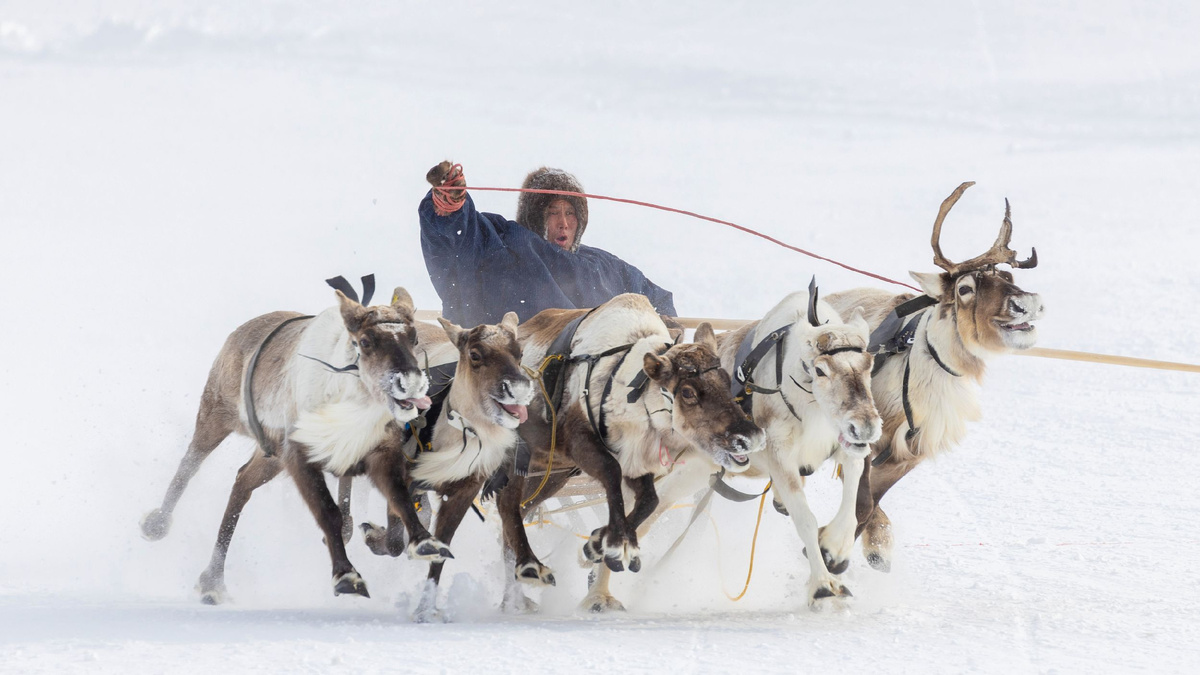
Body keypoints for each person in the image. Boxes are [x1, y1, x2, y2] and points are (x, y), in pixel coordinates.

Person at [418, 161, 676, 328]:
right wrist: (449, 205)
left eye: (571, 213)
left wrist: (664, 325)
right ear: (535, 215)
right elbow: (462, 232)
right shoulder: (505, 243)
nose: (563, 222)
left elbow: (656, 300)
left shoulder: (603, 265)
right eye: (553, 212)